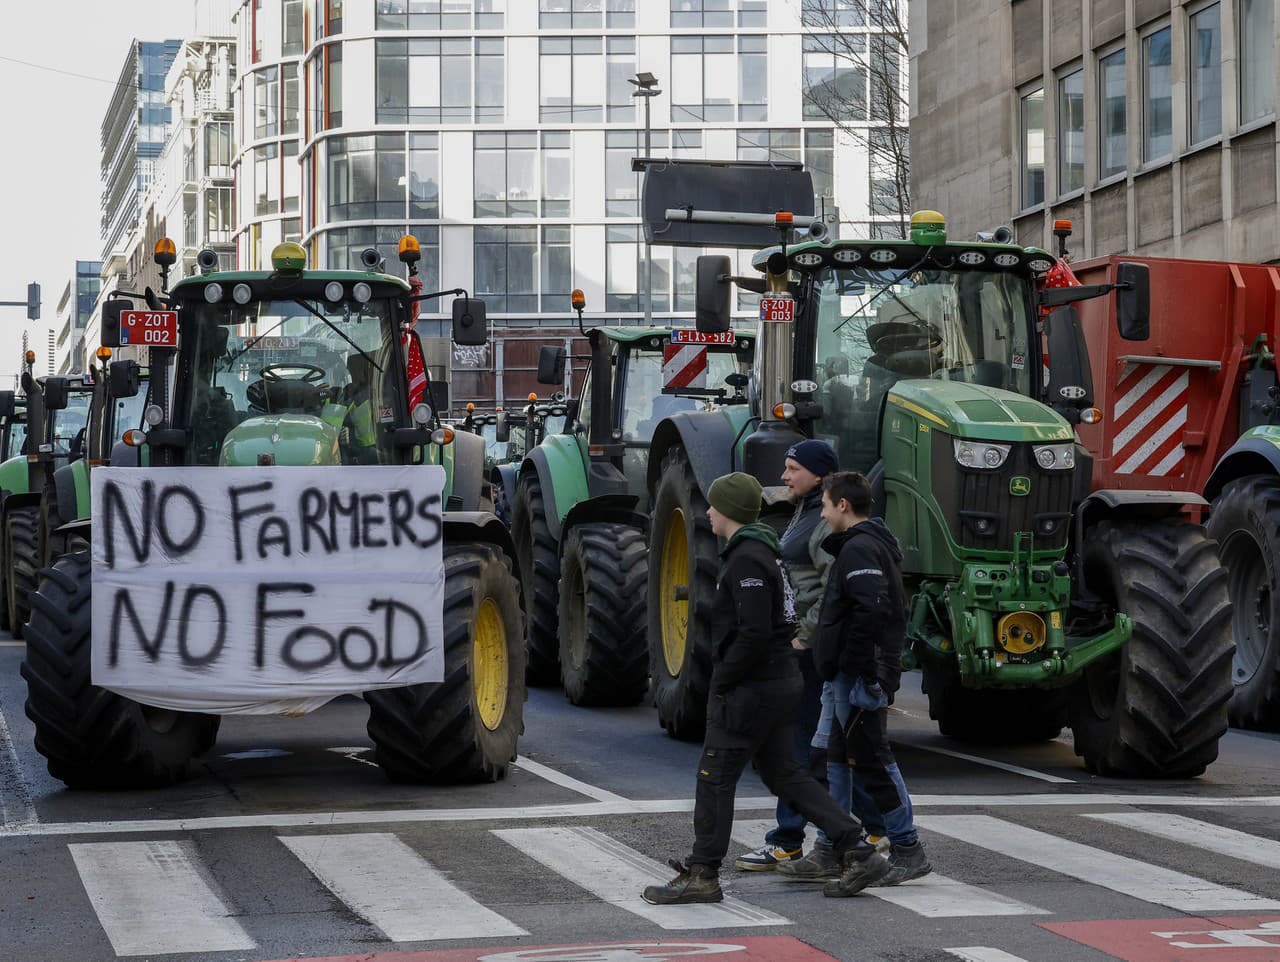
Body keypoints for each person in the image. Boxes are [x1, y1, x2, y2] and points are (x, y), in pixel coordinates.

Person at [643, 471, 887, 906]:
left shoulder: (747, 559)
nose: (710, 512)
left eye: (715, 505)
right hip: (777, 681)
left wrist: (723, 681)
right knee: (785, 775)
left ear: (731, 511)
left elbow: (754, 631)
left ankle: (703, 874)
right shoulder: (761, 552)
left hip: (752, 687)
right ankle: (858, 848)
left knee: (714, 777)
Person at [736, 439, 887, 877]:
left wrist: (802, 638)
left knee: (796, 748)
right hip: (808, 646)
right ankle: (873, 828)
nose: (785, 477)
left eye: (792, 469)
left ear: (818, 475)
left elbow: (829, 588)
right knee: (829, 749)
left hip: (810, 650)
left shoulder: (821, 526)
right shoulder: (804, 511)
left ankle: (786, 841)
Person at [812, 470, 931, 895]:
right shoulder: (868, 544)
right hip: (854, 672)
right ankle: (836, 845)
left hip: (859, 675)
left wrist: (856, 666)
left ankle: (906, 848)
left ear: (843, 505)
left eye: (825, 505)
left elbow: (871, 611)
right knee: (838, 758)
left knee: (873, 759)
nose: (823, 514)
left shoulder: (859, 549)